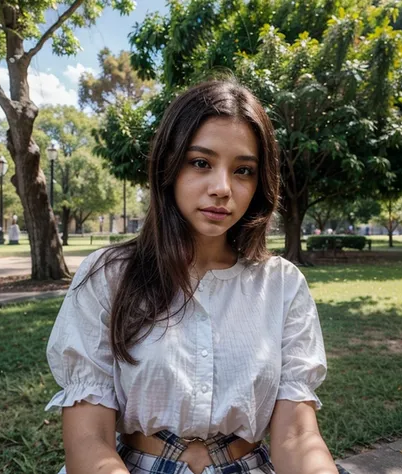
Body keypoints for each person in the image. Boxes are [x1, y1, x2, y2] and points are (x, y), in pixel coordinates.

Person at [45, 80, 339, 474]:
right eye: (201, 162)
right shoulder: (108, 277)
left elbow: (297, 436)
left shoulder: (282, 285)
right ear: (169, 164)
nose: (222, 188)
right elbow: (89, 441)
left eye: (243, 170)